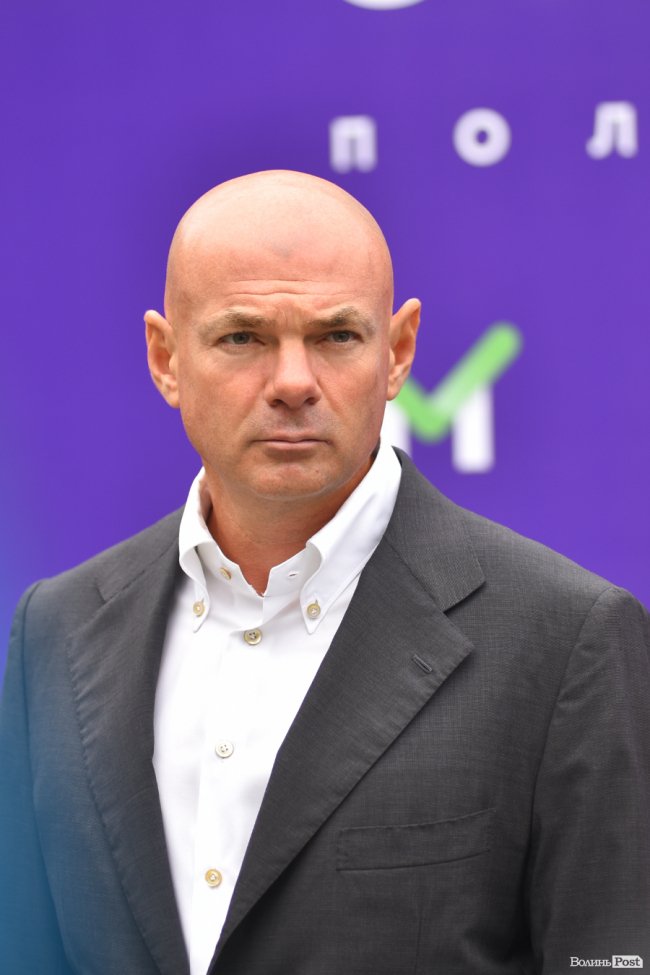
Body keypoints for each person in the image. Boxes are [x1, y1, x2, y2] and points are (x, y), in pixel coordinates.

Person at [1, 170, 648, 975]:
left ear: (397, 352)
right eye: (243, 337)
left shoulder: (565, 640)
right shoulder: (56, 631)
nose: (293, 382)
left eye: (337, 336)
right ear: (166, 359)